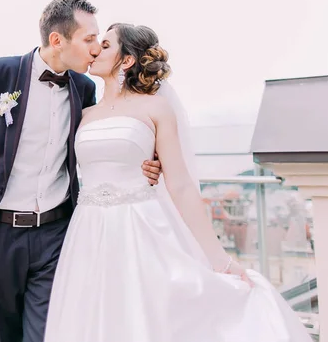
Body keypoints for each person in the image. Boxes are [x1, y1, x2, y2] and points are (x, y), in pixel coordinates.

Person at [0, 0, 161, 342]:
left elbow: (103, 139)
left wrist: (145, 163)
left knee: (47, 335)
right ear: (58, 40)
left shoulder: (84, 89)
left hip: (57, 236)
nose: (94, 49)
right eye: (88, 40)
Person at [40, 23, 313, 341]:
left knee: (147, 317)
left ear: (126, 60)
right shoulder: (85, 113)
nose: (95, 50)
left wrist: (220, 260)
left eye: (105, 44)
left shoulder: (155, 108)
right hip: (88, 232)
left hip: (140, 227)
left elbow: (181, 185)